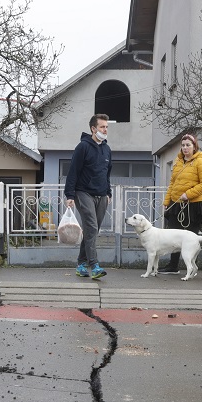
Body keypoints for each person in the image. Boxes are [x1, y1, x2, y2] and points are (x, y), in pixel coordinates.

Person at [64, 114, 113, 279]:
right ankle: (95, 266)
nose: (105, 130)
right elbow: (73, 172)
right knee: (91, 227)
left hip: (101, 195)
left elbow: (107, 174)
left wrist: (108, 193)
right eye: (102, 127)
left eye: (106, 127)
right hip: (83, 192)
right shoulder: (82, 147)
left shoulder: (107, 149)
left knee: (92, 230)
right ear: (93, 128)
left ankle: (81, 264)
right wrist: (69, 195)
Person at [158, 134, 202, 273]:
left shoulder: (200, 162)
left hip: (194, 206)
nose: (185, 148)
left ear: (194, 146)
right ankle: (173, 266)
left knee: (191, 236)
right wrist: (167, 201)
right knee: (173, 235)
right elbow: (172, 183)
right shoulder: (178, 161)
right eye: (183, 145)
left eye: (188, 145)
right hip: (176, 204)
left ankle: (192, 268)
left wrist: (188, 194)